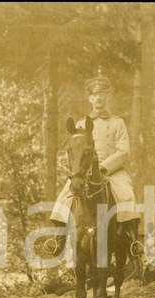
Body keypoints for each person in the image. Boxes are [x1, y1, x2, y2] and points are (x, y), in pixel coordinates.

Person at [48, 68, 139, 255]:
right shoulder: (82, 124)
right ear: (89, 98)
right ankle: (58, 238)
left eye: (102, 94)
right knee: (63, 196)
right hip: (85, 170)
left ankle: (131, 241)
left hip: (112, 170)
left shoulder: (117, 123)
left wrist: (105, 167)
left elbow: (123, 151)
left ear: (107, 97)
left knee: (127, 194)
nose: (98, 98)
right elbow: (76, 151)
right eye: (95, 94)